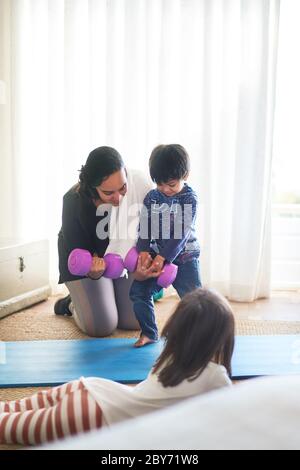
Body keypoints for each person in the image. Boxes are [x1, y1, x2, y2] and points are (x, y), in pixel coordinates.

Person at [0, 288, 235, 446]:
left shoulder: (168, 359)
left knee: (8, 409)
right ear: (219, 338)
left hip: (92, 389)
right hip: (95, 416)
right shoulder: (217, 377)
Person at [55, 146, 160, 337]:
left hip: (119, 260)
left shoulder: (139, 184)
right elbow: (79, 259)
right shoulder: (73, 202)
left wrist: (146, 261)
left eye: (122, 188)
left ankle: (106, 294)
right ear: (93, 188)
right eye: (109, 193)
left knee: (136, 320)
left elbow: (148, 230)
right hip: (86, 263)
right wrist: (93, 273)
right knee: (101, 326)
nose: (118, 197)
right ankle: (71, 303)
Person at [130, 144, 201, 347]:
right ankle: (150, 333)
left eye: (171, 184)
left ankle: (200, 337)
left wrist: (163, 257)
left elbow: (181, 233)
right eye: (160, 184)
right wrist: (144, 251)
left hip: (186, 258)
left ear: (185, 175)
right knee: (138, 292)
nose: (166, 190)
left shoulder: (189, 198)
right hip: (157, 254)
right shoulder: (152, 197)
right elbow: (144, 227)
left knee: (195, 302)